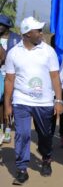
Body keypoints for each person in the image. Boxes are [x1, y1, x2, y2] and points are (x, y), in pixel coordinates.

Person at [4, 17, 63, 185]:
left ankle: (46, 158)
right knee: (22, 134)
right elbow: (9, 80)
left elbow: (55, 77)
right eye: (38, 30)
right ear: (28, 34)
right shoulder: (14, 53)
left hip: (44, 101)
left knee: (45, 134)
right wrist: (7, 105)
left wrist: (58, 100)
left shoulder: (48, 51)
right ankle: (22, 169)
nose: (41, 33)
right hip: (21, 100)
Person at [0, 14, 21, 144]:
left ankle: (7, 128)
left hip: (12, 75)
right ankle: (2, 127)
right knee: (0, 102)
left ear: (7, 26)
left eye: (1, 25)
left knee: (9, 101)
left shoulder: (16, 39)